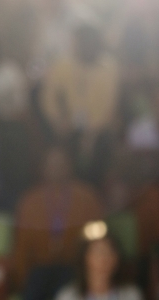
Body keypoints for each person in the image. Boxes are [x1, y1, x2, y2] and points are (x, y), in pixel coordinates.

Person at [6, 147, 104, 300]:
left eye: (61, 163)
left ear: (69, 166)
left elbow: (97, 237)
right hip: (40, 268)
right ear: (43, 169)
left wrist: (90, 272)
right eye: (51, 164)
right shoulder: (30, 200)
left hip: (72, 267)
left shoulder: (86, 197)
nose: (56, 169)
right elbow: (20, 245)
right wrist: (20, 278)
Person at [39, 23, 119, 183]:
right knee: (60, 150)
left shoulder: (109, 67)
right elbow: (49, 99)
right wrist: (58, 121)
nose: (76, 48)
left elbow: (109, 107)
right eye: (75, 44)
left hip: (98, 132)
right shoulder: (61, 65)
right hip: (66, 129)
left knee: (101, 149)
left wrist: (91, 134)